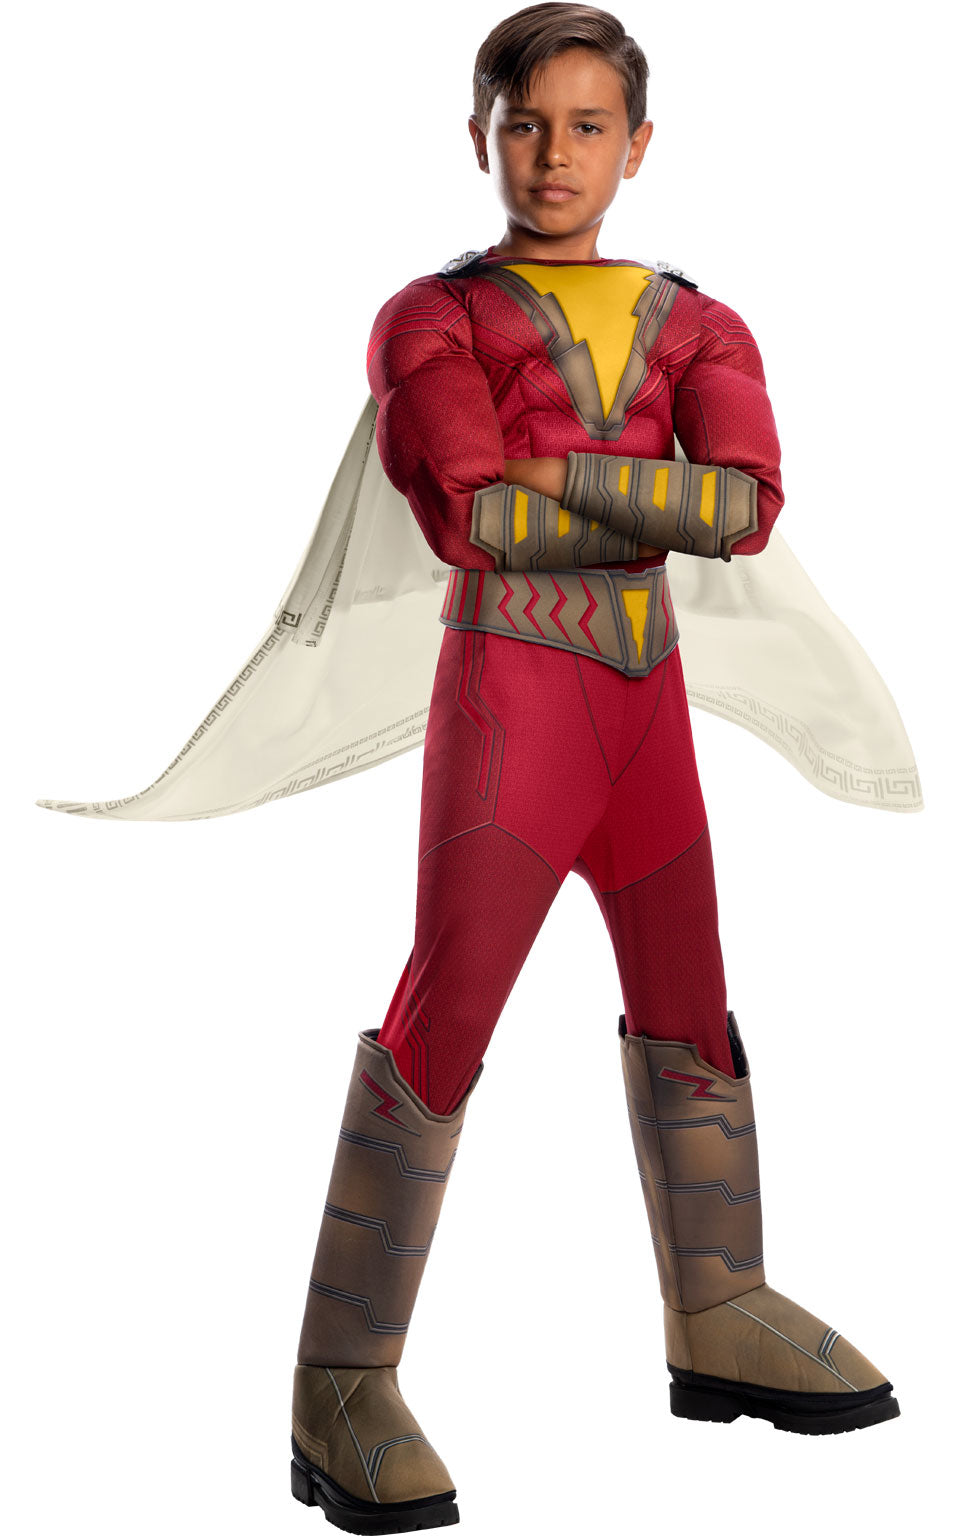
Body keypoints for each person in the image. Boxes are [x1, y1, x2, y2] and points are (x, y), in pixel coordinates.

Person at [286, 5, 903, 1531]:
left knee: (690, 1000)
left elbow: (745, 510)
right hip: (513, 700)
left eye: (585, 126)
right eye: (525, 124)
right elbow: (473, 519)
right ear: (479, 135)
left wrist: (552, 467)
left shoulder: (703, 321)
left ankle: (719, 1304)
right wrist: (644, 493)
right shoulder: (431, 316)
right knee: (447, 1015)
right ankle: (340, 1379)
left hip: (646, 708)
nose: (552, 155)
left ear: (638, 145)